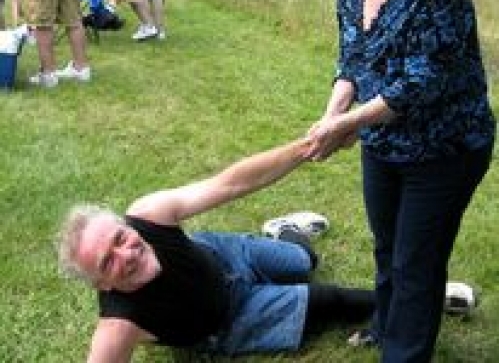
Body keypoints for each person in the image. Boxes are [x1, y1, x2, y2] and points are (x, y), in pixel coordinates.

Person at [306, 0, 496, 363]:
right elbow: (352, 61)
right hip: (384, 143)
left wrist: (349, 125)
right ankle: (385, 325)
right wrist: (331, 115)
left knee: (417, 261)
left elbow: (421, 81)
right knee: (388, 245)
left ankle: (404, 352)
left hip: (446, 147)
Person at [57, 137, 376, 361]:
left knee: (304, 262)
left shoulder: (147, 214)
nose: (127, 254)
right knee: (330, 300)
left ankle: (283, 230)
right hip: (230, 319)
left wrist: (307, 147)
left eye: (119, 238)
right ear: (101, 284)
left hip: (223, 255)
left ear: (126, 225)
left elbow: (231, 183)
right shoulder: (119, 325)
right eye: (107, 262)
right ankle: (402, 306)